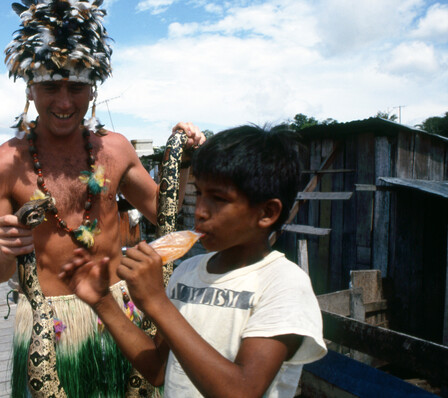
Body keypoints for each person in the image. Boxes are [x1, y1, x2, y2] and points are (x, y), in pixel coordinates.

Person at [0, 1, 204, 396]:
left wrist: (180, 159)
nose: (64, 102)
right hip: (52, 330)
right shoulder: (0, 166)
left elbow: (162, 212)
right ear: (30, 87)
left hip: (121, 316)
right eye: (51, 86)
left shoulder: (115, 150)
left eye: (76, 87)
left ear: (92, 88)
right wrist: (3, 250)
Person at [60, 125, 327, 397]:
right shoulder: (187, 271)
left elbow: (242, 391)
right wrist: (103, 302)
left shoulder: (284, 284)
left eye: (219, 199)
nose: (199, 211)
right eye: (199, 193)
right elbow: (157, 370)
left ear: (267, 213)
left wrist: (156, 302)